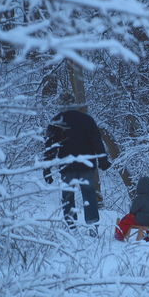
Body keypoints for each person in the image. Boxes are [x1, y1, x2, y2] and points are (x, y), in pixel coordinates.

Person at [44, 94, 110, 230]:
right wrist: (103, 160)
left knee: (68, 196)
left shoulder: (56, 121)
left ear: (61, 104)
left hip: (67, 166)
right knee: (89, 194)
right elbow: (97, 141)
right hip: (86, 164)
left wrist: (47, 168)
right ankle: (92, 225)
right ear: (73, 103)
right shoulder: (87, 120)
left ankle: (71, 227)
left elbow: (51, 147)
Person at [115, 176, 149, 242]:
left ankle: (120, 233)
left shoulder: (139, 198)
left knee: (128, 218)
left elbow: (133, 211)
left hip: (144, 220)